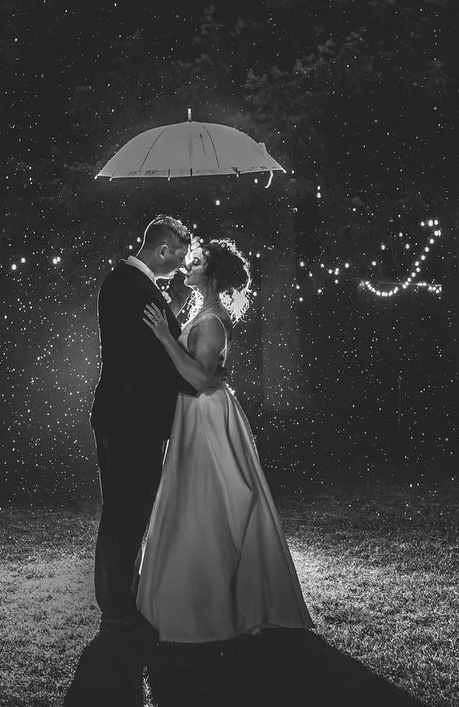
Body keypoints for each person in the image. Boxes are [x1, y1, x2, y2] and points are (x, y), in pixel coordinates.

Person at [135, 237, 313, 642]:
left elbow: (199, 378)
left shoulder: (213, 321)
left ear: (211, 274)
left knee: (206, 503)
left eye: (195, 264)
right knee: (193, 501)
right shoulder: (206, 313)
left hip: (205, 416)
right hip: (194, 413)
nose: (187, 268)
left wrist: (165, 336)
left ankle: (209, 604)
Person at [89, 214, 223, 631]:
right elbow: (149, 355)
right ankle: (117, 604)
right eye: (180, 256)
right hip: (132, 419)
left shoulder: (130, 283)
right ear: (163, 250)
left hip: (125, 415)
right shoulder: (132, 286)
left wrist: (173, 316)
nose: (183, 266)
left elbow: (150, 337)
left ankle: (119, 596)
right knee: (127, 509)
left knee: (125, 507)